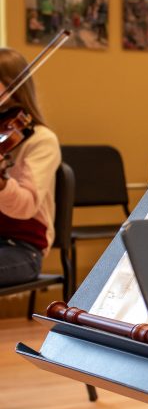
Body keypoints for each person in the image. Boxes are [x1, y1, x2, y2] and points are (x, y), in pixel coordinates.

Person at [0, 49, 62, 287]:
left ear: (12, 85)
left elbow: (25, 207)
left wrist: (3, 183)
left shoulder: (41, 140)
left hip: (23, 249)